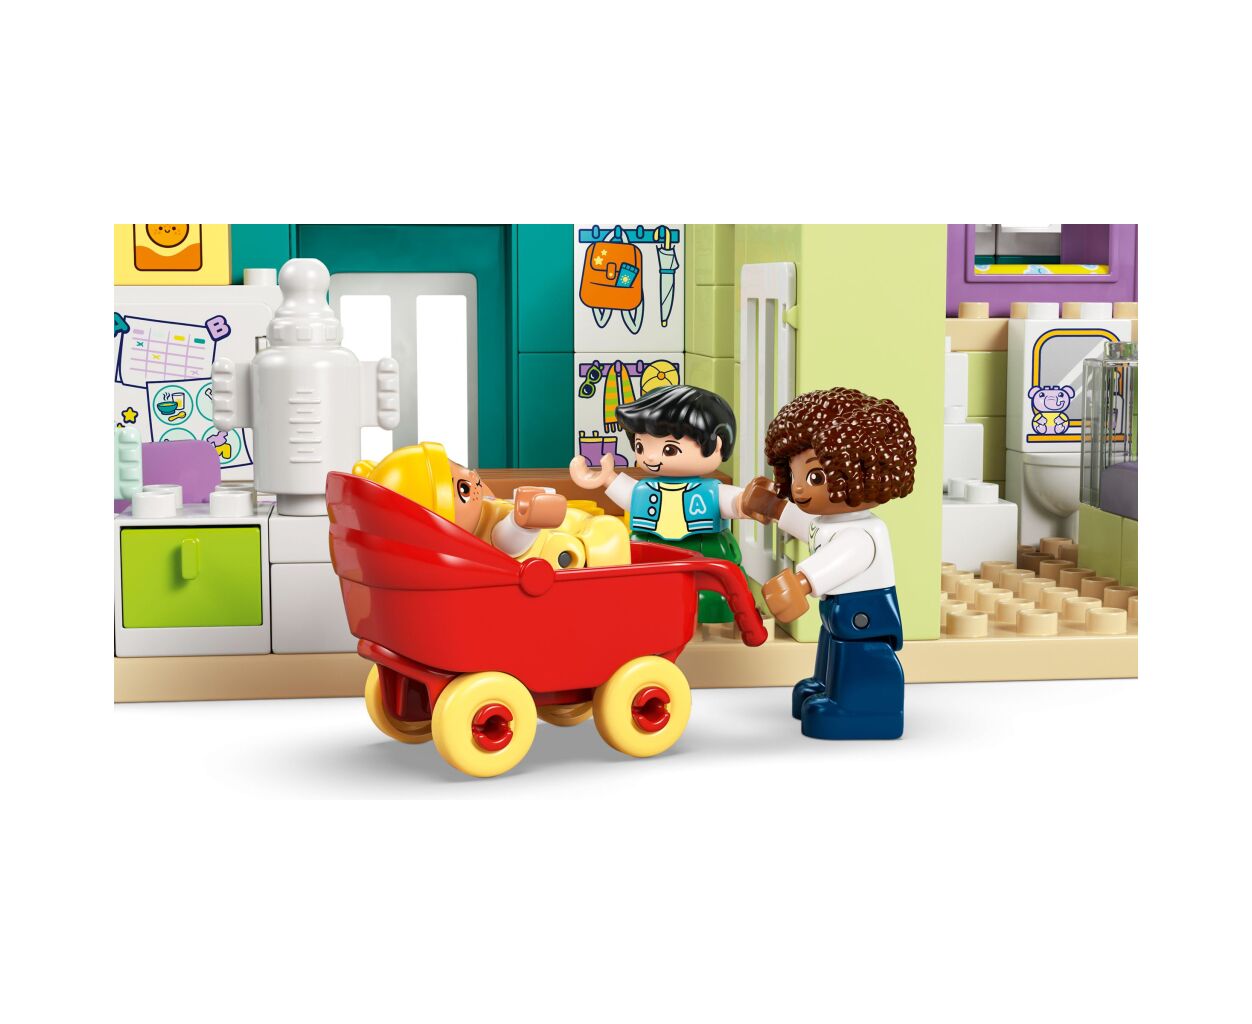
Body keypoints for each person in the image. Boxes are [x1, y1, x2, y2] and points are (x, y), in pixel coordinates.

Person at [741, 387, 917, 739]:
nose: (799, 489)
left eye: (815, 477)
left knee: (857, 656)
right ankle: (827, 686)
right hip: (841, 613)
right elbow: (809, 528)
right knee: (832, 646)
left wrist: (801, 583)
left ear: (862, 471)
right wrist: (774, 507)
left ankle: (861, 708)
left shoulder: (862, 534)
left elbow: (840, 559)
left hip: (866, 618)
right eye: (794, 476)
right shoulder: (830, 522)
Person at [568, 384, 756, 623]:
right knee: (643, 589)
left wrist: (749, 502)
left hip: (702, 550)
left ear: (717, 445)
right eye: (640, 446)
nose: (651, 457)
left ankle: (705, 619)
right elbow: (628, 496)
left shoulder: (712, 492)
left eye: (669, 449)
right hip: (650, 551)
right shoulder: (643, 489)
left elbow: (734, 501)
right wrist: (605, 478)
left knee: (709, 591)